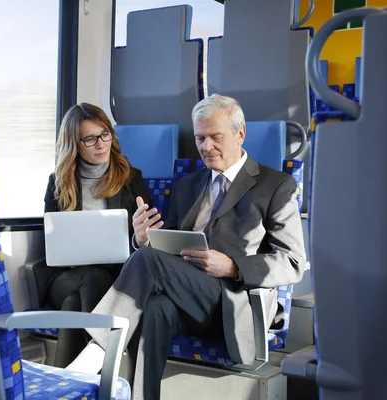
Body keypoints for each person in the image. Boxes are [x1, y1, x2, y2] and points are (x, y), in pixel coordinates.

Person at [66, 94, 307, 399]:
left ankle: (98, 349)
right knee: (154, 307)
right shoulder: (187, 185)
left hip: (233, 301)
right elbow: (168, 248)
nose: (206, 146)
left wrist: (232, 266)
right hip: (186, 295)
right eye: (200, 138)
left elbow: (293, 262)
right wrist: (142, 237)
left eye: (215, 137)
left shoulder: (277, 186)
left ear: (240, 133)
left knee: (148, 260)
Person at [41, 102, 154, 368]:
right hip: (67, 277)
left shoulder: (130, 177)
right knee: (90, 279)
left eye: (105, 134)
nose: (101, 144)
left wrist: (140, 238)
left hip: (115, 278)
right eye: (90, 139)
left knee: (74, 304)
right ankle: (103, 367)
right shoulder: (58, 182)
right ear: (74, 144)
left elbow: (145, 242)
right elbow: (53, 241)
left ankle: (72, 383)